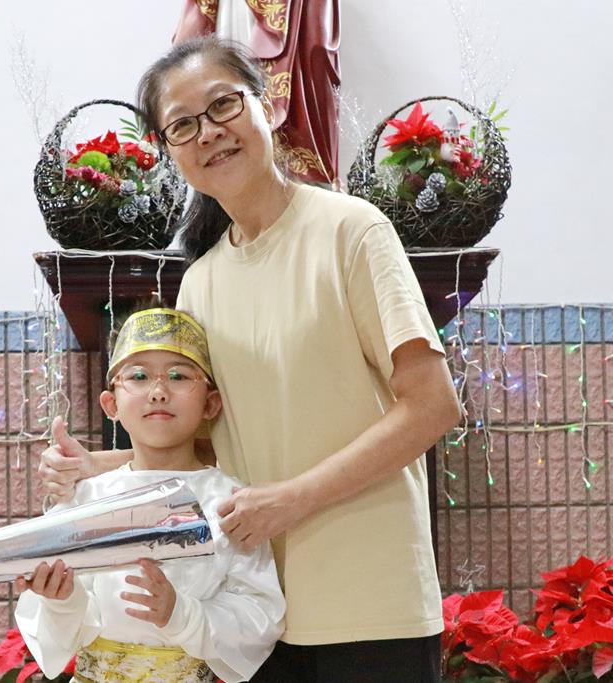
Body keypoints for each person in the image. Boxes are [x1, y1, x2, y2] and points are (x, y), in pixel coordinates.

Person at [39, 37, 462, 682]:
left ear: (266, 104)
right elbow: (214, 444)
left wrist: (292, 499)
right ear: (168, 150)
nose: (209, 132)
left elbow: (432, 406)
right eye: (183, 125)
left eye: (223, 106)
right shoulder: (201, 281)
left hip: (369, 602)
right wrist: (95, 469)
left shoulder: (351, 231)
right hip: (247, 615)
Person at [15, 307, 285, 683]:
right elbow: (60, 617)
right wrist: (61, 600)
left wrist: (181, 614)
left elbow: (259, 612)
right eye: (139, 376)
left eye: (178, 376)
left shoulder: (230, 501)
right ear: (111, 404)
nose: (158, 392)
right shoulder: (88, 497)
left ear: (210, 403)